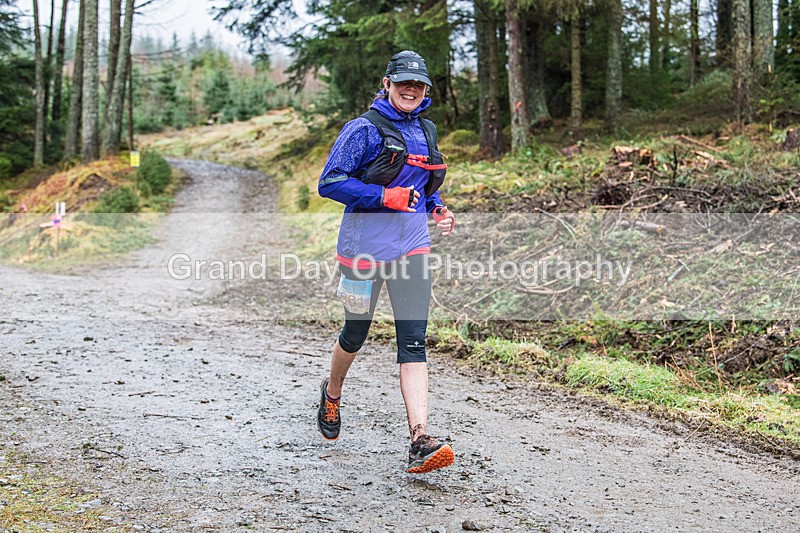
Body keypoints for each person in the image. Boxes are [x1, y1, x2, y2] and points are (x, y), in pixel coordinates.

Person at [316, 50, 457, 474]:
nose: (411, 90)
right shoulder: (363, 129)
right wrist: (383, 197)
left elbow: (422, 185)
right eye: (403, 84)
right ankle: (333, 392)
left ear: (426, 91)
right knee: (355, 332)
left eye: (419, 85)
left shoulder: (426, 130)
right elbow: (330, 182)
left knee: (413, 341)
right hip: (361, 251)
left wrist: (437, 209)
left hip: (412, 248)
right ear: (387, 84)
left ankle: (419, 438)